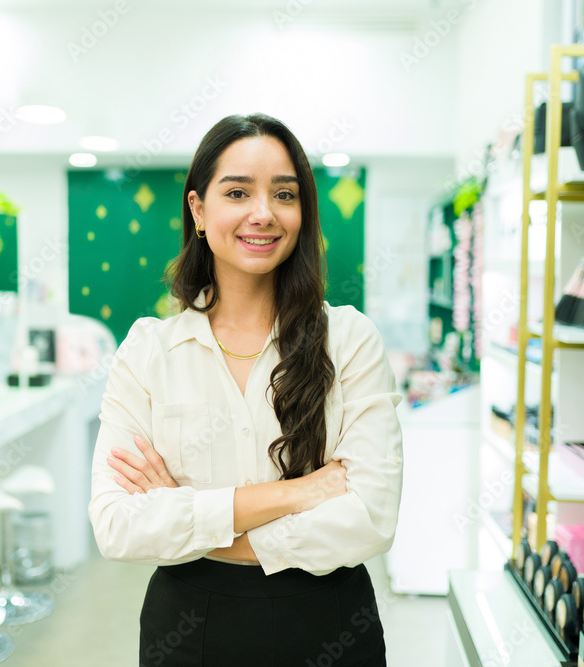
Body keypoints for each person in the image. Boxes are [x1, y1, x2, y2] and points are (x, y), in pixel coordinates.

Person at [88, 113, 404, 666]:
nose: (264, 213)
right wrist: (296, 493)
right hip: (188, 628)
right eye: (238, 191)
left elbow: (371, 517)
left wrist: (186, 515)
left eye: (284, 194)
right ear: (198, 210)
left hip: (329, 622)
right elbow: (118, 526)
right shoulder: (149, 350)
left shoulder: (349, 339)